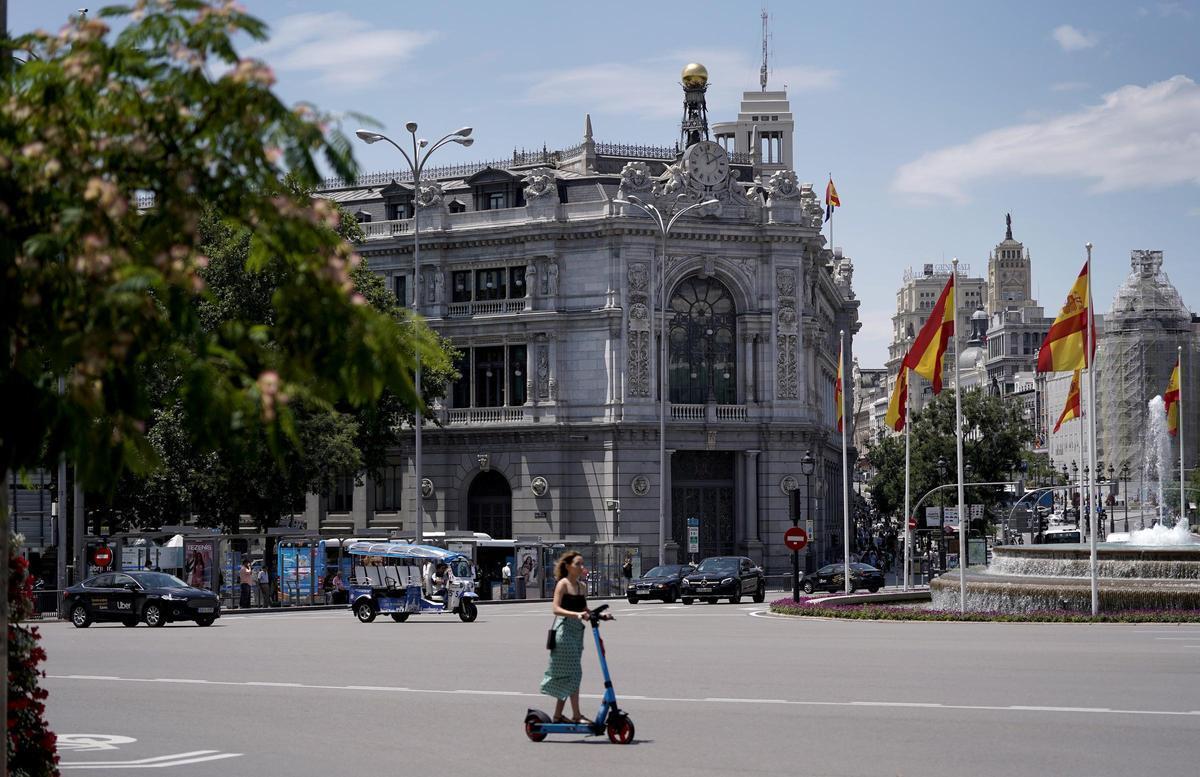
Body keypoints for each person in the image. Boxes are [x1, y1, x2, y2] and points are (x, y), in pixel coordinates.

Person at [539, 551, 609, 724]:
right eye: (578, 564)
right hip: (564, 631)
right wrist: (576, 615)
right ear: (568, 566)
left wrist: (600, 616)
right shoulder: (562, 584)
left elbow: (585, 609)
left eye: (582, 564)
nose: (581, 567)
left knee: (569, 675)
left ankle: (557, 716)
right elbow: (555, 608)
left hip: (577, 632)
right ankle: (576, 715)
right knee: (575, 673)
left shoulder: (581, 587)